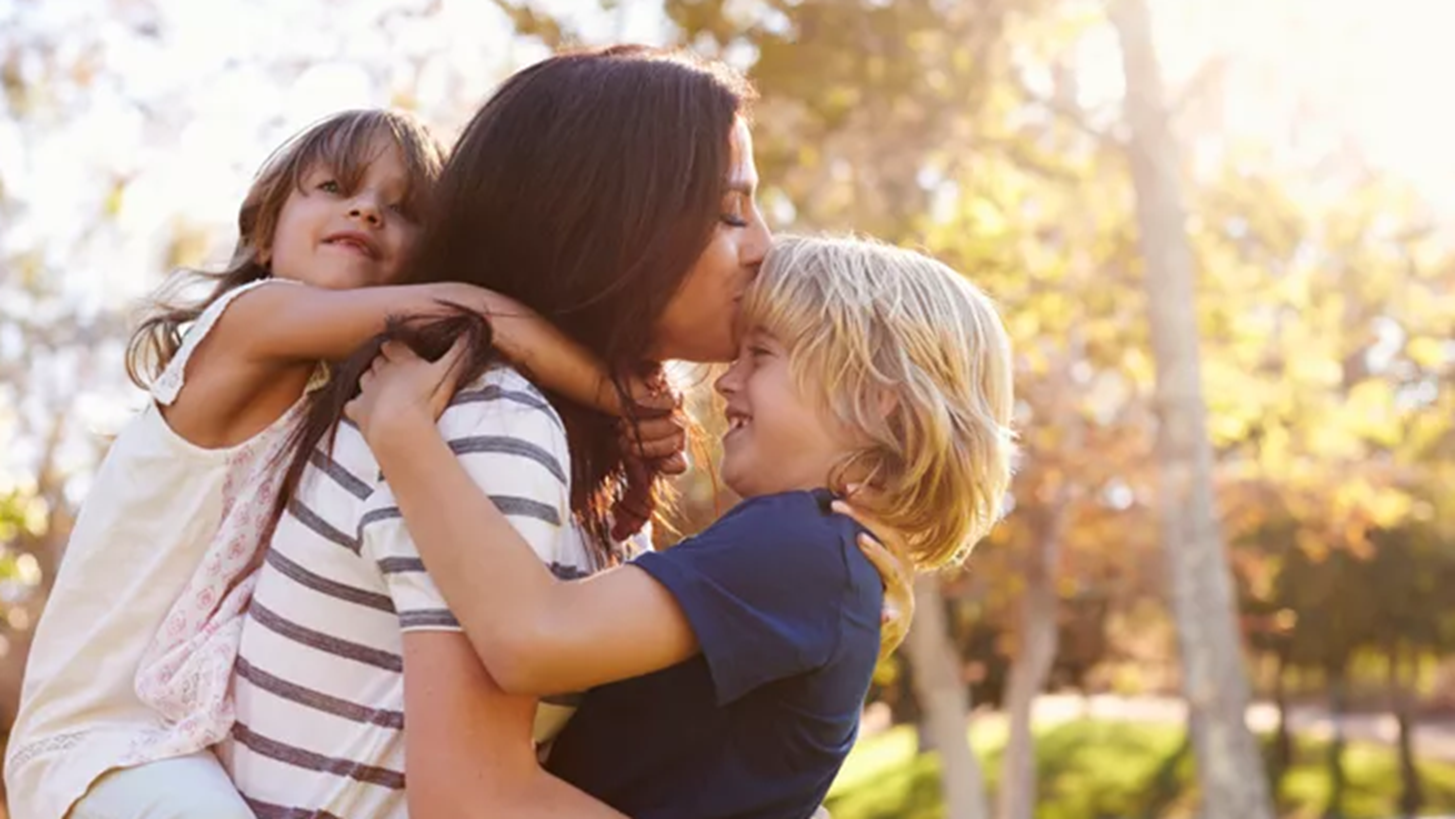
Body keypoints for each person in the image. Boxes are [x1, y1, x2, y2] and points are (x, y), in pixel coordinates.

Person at [222, 46, 909, 819]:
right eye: (726, 212)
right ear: (609, 225)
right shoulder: (490, 420)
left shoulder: (569, 441)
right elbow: (473, 801)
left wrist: (817, 615)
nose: (762, 248)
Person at [4, 108, 655, 819]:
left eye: (402, 210)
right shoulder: (245, 326)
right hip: (101, 743)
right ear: (262, 230)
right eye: (334, 186)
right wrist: (623, 403)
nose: (367, 211)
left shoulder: (342, 394)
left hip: (191, 736)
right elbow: (473, 312)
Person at [351, 233, 1017, 818]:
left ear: (874, 400)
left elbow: (532, 635)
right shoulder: (822, 557)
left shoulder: (800, 542)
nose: (727, 381)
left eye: (760, 354)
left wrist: (402, 432)